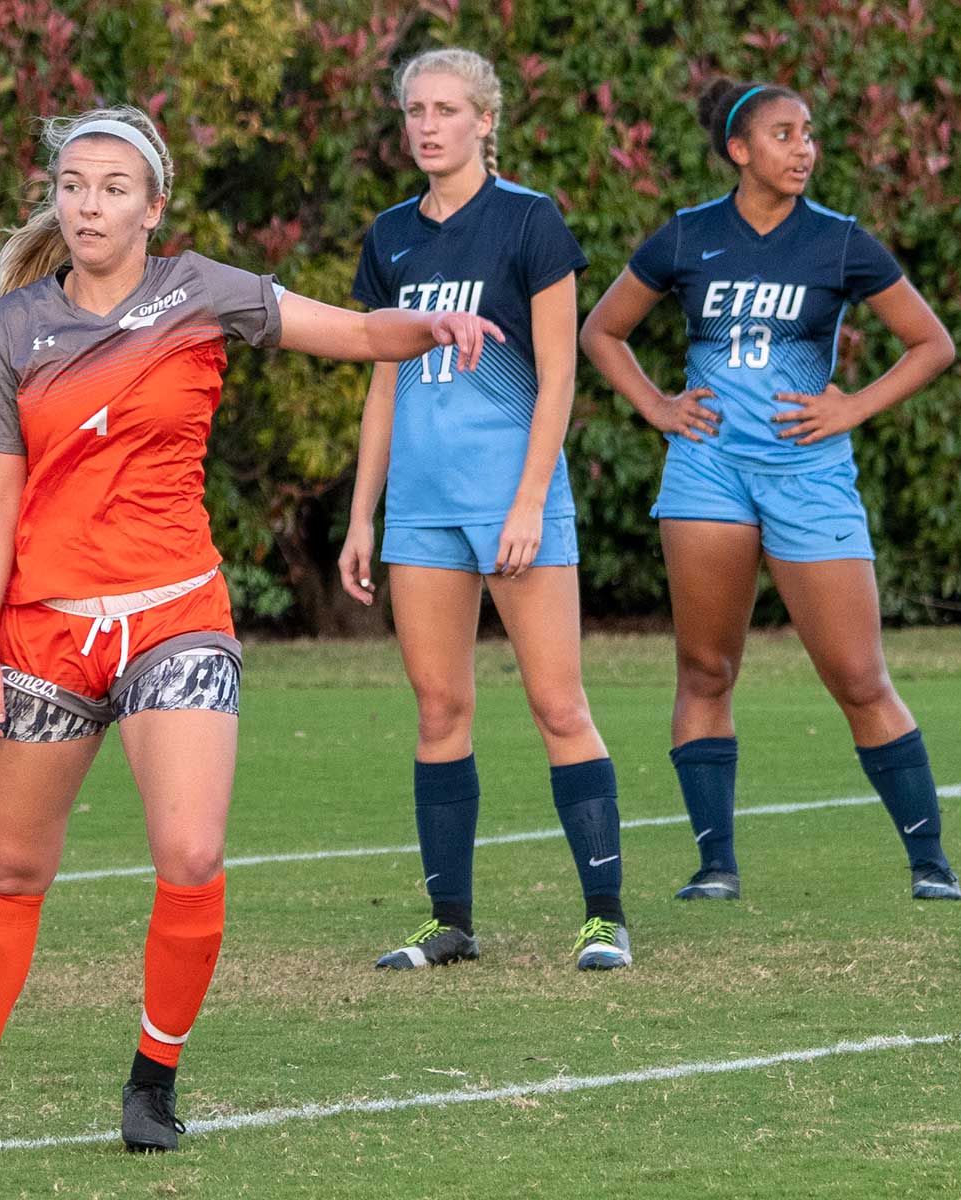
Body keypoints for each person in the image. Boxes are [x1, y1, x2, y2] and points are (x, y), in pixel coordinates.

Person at [0, 104, 503, 1155]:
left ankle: (152, 1085)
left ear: (154, 207)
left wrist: (431, 326)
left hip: (176, 617)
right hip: (44, 634)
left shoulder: (201, 291)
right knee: (14, 869)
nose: (89, 204)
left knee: (191, 851)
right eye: (74, 185)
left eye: (113, 187)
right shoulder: (16, 327)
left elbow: (354, 334)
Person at [579, 79, 961, 902]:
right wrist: (658, 406)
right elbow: (602, 330)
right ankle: (715, 866)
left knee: (858, 676)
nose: (804, 149)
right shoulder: (689, 235)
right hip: (708, 473)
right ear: (739, 149)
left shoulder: (838, 241)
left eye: (809, 134)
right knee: (705, 670)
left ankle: (931, 864)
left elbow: (932, 343)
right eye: (784, 134)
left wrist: (852, 406)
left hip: (808, 476)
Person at [338, 48, 632, 976]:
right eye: (415, 111)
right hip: (421, 510)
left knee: (557, 703)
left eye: (447, 110)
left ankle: (605, 920)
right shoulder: (390, 235)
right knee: (439, 709)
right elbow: (382, 383)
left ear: (485, 120)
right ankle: (450, 924)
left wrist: (530, 501)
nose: (427, 126)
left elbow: (559, 376)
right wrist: (363, 515)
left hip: (513, 501)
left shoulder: (529, 220)